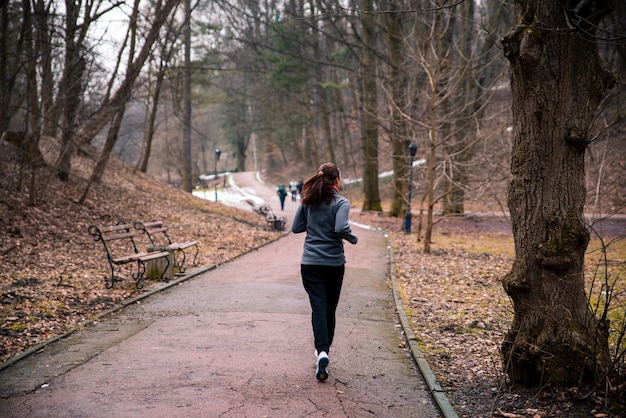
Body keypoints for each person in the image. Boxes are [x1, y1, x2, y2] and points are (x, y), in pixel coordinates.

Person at [291, 162, 358, 381]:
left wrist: (313, 222)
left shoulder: (308, 200)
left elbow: (296, 227)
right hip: (333, 263)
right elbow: (341, 228)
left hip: (310, 263)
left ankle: (321, 352)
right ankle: (324, 351)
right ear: (337, 179)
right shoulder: (342, 203)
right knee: (330, 308)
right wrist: (353, 238)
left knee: (318, 307)